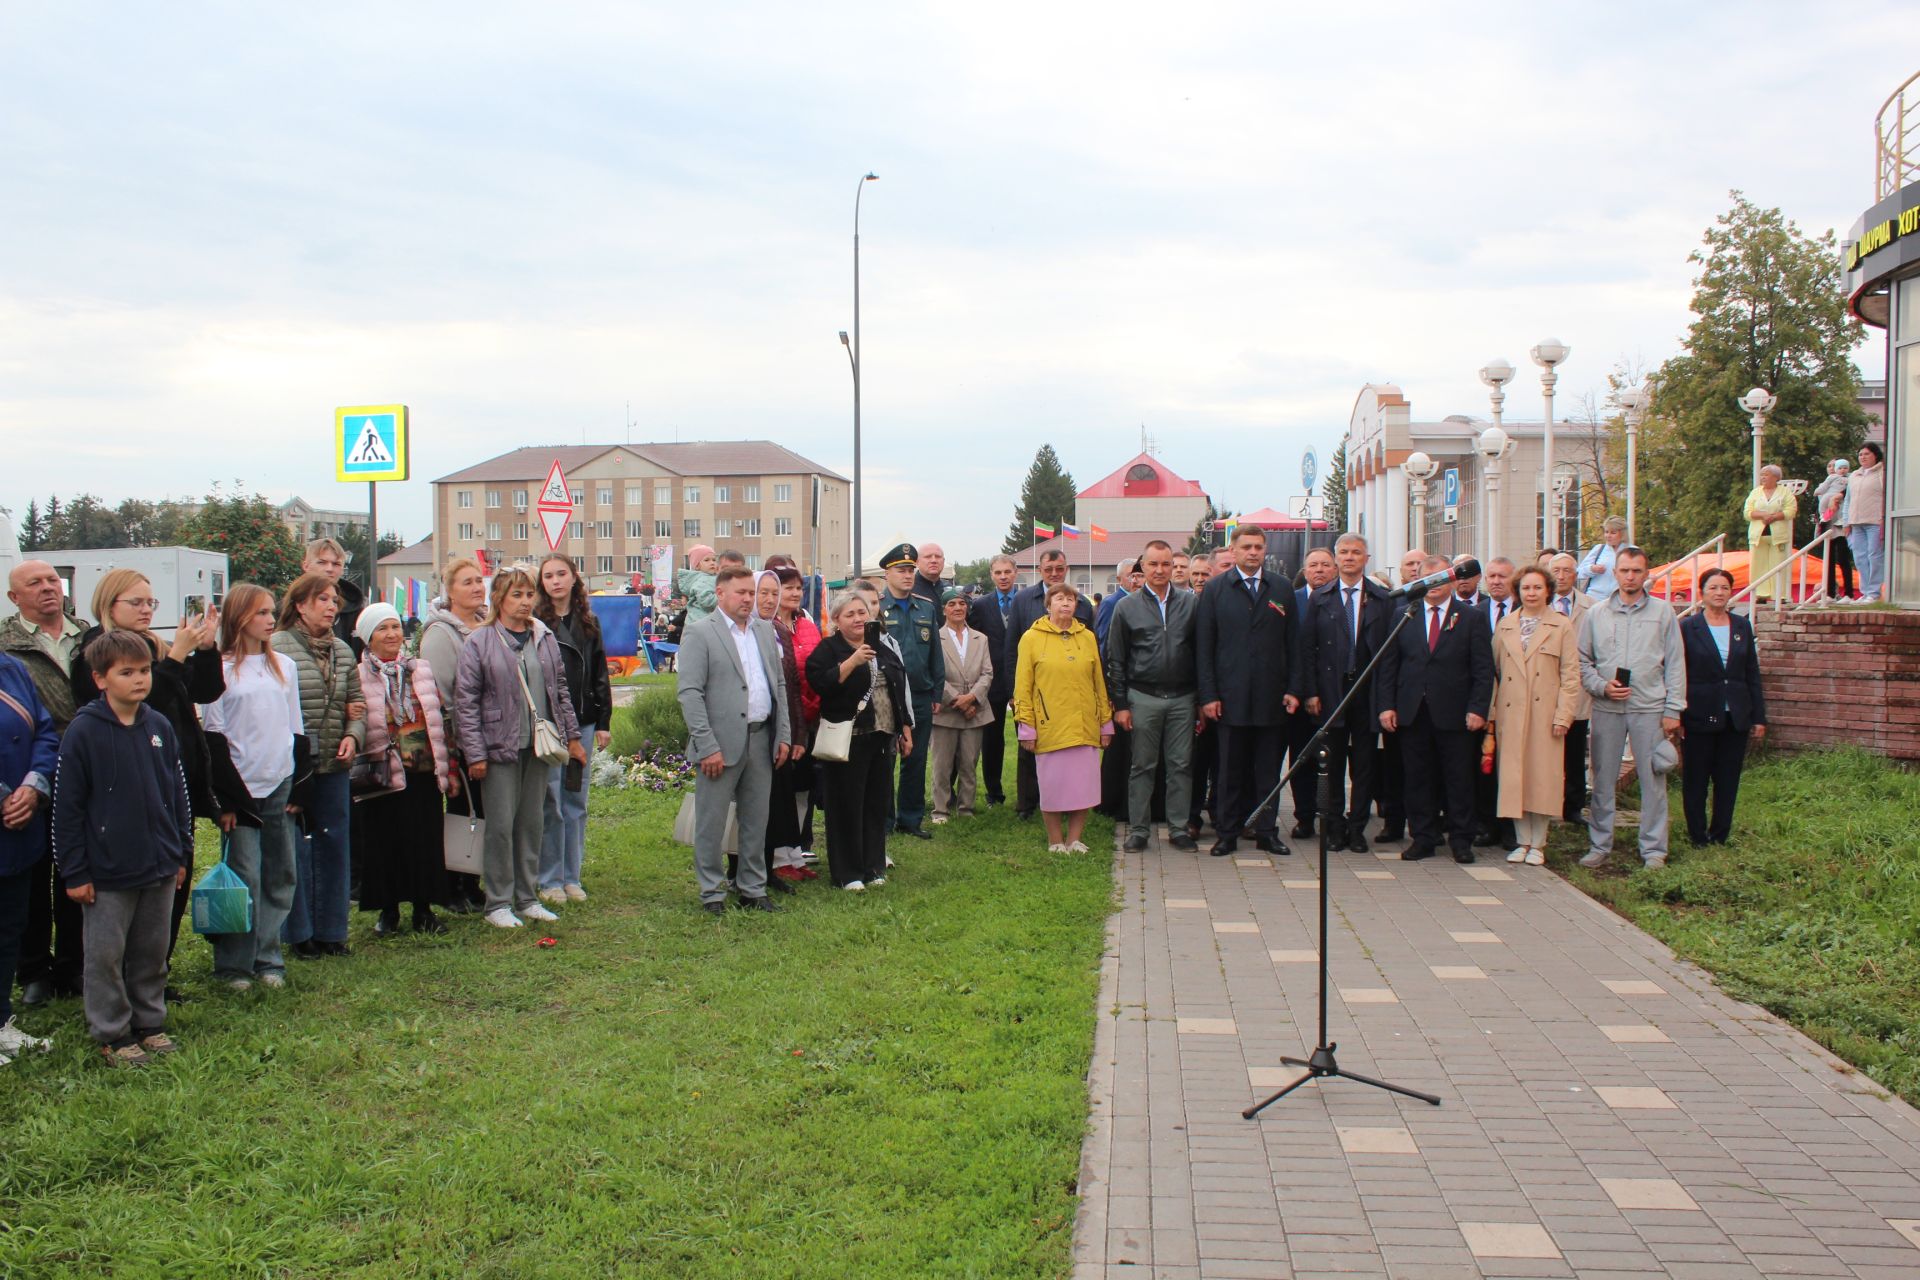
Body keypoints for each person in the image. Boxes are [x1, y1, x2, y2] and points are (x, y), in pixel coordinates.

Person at [70, 568, 233, 976]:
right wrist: (176, 657)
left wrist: (208, 649)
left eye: (150, 602)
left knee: (174, 882)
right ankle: (127, 978)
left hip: (173, 783)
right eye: (136, 602)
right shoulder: (95, 650)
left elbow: (205, 692)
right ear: (109, 606)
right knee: (131, 895)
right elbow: (143, 706)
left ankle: (156, 971)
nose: (146, 610)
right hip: (125, 789)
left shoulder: (155, 647)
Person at [53, 632, 193, 1067]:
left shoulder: (158, 726)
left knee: (151, 951)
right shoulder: (84, 732)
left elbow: (177, 794)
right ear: (100, 679)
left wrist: (180, 852)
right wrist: (74, 872)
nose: (139, 680)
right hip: (108, 871)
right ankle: (112, 1031)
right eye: (126, 672)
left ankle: (149, 1021)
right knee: (106, 956)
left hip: (158, 864)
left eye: (145, 671)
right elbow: (67, 808)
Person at [456, 566, 586, 929]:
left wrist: (572, 737)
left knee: (532, 822)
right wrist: (475, 753)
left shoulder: (541, 637)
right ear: (498, 598)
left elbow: (560, 691)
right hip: (499, 747)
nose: (526, 601)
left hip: (538, 746)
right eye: (517, 594)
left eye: (530, 594)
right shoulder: (479, 642)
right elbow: (466, 702)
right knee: (500, 826)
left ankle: (527, 897)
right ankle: (498, 901)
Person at [199, 585, 303, 991]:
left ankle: (268, 957)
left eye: (271, 612)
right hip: (240, 787)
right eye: (261, 612)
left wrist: (297, 783)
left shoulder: (285, 667)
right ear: (240, 617)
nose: (269, 619)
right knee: (244, 876)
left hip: (279, 779)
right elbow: (214, 733)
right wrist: (225, 798)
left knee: (280, 872)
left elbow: (295, 727)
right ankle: (234, 965)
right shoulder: (222, 670)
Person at [676, 566, 793, 913]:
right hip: (719, 744)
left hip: (761, 738)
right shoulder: (700, 633)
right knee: (712, 822)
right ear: (721, 593)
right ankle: (712, 891)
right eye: (740, 592)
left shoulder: (763, 630)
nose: (747, 599)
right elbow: (690, 694)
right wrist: (706, 744)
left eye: (750, 593)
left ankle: (752, 888)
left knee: (756, 820)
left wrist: (782, 734)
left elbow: (779, 686)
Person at [2, 560, 88, 1008]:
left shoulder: (87, 635)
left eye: (52, 580)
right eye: (33, 583)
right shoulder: (7, 646)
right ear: (15, 598)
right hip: (33, 772)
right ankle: (33, 969)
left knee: (76, 869)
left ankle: (73, 965)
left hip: (88, 772)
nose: (47, 588)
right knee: (32, 876)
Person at [272, 573, 366, 959]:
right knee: (294, 848)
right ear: (300, 605)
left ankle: (332, 931)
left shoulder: (343, 650)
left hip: (335, 761)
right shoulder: (277, 647)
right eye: (323, 600)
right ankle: (299, 935)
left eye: (334, 601)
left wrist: (353, 736)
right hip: (294, 766)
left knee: (334, 843)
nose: (332, 607)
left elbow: (357, 703)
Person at [1377, 555, 1494, 864]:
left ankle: (1461, 839)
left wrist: (1478, 708)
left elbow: (1483, 669)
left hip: (1456, 713)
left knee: (1459, 778)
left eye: (1439, 579)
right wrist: (1387, 705)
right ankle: (1423, 837)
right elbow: (1389, 666)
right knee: (1417, 778)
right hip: (1413, 712)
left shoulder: (1471, 618)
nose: (1432, 585)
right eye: (1425, 579)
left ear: (1452, 581)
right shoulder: (1406, 614)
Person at [1577, 546, 1686, 871]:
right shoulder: (1597, 614)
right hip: (1608, 708)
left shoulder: (1662, 612)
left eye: (1636, 571)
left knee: (1652, 780)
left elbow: (1676, 663)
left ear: (1646, 573)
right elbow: (1582, 661)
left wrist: (1673, 709)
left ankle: (1653, 850)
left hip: (1649, 707)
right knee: (1603, 779)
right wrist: (1601, 686)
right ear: (1615, 572)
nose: (1630, 576)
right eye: (1624, 570)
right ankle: (1599, 845)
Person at [1195, 525, 1297, 857]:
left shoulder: (1281, 587)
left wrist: (1294, 689)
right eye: (1247, 547)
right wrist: (1208, 695)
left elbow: (1294, 643)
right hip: (1229, 698)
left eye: (1258, 547)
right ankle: (1227, 832)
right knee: (1229, 771)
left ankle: (1267, 830)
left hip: (1272, 697)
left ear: (1265, 550)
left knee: (1268, 770)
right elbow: (1204, 647)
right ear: (1234, 551)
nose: (1253, 552)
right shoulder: (1216, 589)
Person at [354, 605, 453, 936]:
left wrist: (447, 765)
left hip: (422, 769)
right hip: (382, 770)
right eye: (383, 628)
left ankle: (424, 909)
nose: (392, 634)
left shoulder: (420, 669)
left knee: (424, 839)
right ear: (369, 637)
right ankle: (388, 910)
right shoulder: (359, 675)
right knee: (385, 843)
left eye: (396, 626)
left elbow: (437, 714)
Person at [806, 590, 911, 891]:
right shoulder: (829, 648)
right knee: (846, 806)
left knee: (876, 804)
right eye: (850, 614)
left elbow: (897, 687)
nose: (857, 618)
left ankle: (873, 865)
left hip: (882, 735)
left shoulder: (883, 647)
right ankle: (848, 873)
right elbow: (821, 683)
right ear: (837, 619)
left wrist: (905, 728)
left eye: (862, 612)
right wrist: (852, 661)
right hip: (848, 738)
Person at [1293, 534, 1390, 853]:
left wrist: (1385, 700)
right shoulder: (1321, 598)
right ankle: (1333, 826)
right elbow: (1307, 650)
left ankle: (1357, 827)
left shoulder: (1380, 598)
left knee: (1364, 764)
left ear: (1366, 558)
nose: (1350, 558)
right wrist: (1310, 692)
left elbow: (1389, 655)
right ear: (1336, 559)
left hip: (1366, 691)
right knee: (1331, 765)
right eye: (1344, 552)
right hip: (1331, 691)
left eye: (1356, 553)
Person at [1106, 540, 1198, 852]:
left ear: (1173, 567)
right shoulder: (1126, 607)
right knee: (1142, 766)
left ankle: (1178, 828)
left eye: (1165, 564)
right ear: (1142, 568)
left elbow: (1201, 654)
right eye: (1153, 564)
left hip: (1183, 698)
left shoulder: (1191, 604)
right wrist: (1120, 704)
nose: (1159, 570)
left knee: (1180, 765)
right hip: (1142, 696)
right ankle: (1139, 830)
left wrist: (1200, 700)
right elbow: (1115, 660)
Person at [534, 554, 612, 905]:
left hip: (582, 721)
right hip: (548, 724)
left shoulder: (588, 622)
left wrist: (603, 722)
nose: (555, 581)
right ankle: (549, 878)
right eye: (548, 575)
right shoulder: (535, 622)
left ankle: (571, 876)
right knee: (551, 802)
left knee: (575, 800)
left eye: (561, 573)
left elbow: (600, 674)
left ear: (573, 577)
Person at [1488, 566, 1580, 866]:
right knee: (1515, 777)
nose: (1531, 593)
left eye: (1537, 588)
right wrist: (1492, 715)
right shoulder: (1506, 625)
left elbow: (1570, 675)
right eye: (1526, 588)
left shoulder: (1561, 626)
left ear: (1547, 591)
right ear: (1518, 591)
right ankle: (1521, 840)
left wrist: (1564, 715)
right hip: (1511, 712)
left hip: (1545, 713)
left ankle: (1538, 843)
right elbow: (1495, 673)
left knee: (1542, 777)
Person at [1014, 583, 1112, 853]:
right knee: (1053, 786)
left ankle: (1075, 839)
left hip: (1084, 725)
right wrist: (1027, 727)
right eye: (1060, 598)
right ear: (1048, 605)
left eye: (1071, 599)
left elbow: (1098, 682)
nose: (1066, 603)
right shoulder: (1031, 638)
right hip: (1050, 726)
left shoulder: (1087, 637)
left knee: (1084, 787)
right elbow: (1023, 686)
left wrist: (1106, 722)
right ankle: (1055, 840)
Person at [1678, 568, 1767, 845]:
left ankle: (1720, 835)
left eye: (1724, 588)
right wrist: (1677, 714)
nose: (1719, 593)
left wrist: (1759, 717)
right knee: (1696, 780)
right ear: (1702, 592)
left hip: (1735, 716)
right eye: (1713, 587)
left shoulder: (1741, 626)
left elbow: (1751, 672)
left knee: (1727, 780)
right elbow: (1678, 672)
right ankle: (1697, 836)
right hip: (1698, 714)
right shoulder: (1687, 627)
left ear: (1731, 592)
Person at [420, 557, 488, 913]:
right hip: (458, 737)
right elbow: (442, 694)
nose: (476, 587)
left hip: (490, 734)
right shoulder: (440, 633)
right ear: (450, 591)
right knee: (462, 809)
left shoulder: (487, 624)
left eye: (479, 580)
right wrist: (459, 744)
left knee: (483, 810)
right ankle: (452, 884)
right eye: (467, 582)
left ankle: (472, 880)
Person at [0, 646, 58, 1065]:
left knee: (8, 928)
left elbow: (44, 731)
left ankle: (1, 1022)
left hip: (18, 827)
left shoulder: (12, 669)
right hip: (7, 809)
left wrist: (34, 785)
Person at [1007, 550, 1093, 820]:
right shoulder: (1022, 600)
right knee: (1028, 750)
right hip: (1034, 689)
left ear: (1066, 568)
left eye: (1059, 568)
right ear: (1040, 569)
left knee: (1069, 753)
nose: (1054, 573)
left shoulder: (1083, 604)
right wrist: (1014, 692)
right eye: (1048, 569)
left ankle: (1068, 802)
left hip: (1071, 693)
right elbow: (1012, 649)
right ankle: (1026, 804)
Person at [877, 544, 944, 840]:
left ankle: (911, 818)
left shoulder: (925, 607)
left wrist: (936, 692)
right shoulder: (876, 606)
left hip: (919, 693)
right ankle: (884, 820)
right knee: (886, 758)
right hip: (887, 695)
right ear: (886, 573)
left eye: (910, 570)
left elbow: (935, 654)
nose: (907, 576)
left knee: (916, 759)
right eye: (901, 570)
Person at [1372, 547, 1431, 844]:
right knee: (1396, 769)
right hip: (1403, 704)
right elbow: (1388, 662)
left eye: (1422, 565)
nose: (1417, 570)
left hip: (1438, 704)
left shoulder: (1455, 610)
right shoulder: (1396, 607)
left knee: (1430, 773)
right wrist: (1386, 704)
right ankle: (1394, 823)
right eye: (1410, 564)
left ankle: (1429, 828)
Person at [765, 567, 819, 882]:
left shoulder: (807, 625)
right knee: (781, 791)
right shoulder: (767, 627)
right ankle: (777, 854)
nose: (795, 593)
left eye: (799, 588)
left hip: (808, 717)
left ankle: (795, 851)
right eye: (787, 587)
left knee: (803, 788)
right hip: (783, 720)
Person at [1283, 548, 1336, 840]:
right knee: (1301, 759)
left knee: (1329, 761)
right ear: (1304, 570)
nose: (1319, 570)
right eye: (1313, 565)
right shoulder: (1294, 601)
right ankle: (1304, 816)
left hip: (1333, 695)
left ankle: (1330, 818)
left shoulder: (1343, 600)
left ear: (1335, 569)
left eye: (1325, 565)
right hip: (1298, 696)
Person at [930, 588, 993, 824]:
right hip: (946, 710)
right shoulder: (936, 637)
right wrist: (958, 700)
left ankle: (966, 808)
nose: (957, 608)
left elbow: (987, 673)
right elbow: (934, 673)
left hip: (975, 711)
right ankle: (940, 810)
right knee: (942, 764)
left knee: (969, 762)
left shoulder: (980, 638)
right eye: (952, 604)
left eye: (961, 603)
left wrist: (973, 698)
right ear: (944, 609)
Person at [1470, 558, 1520, 850]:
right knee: (1483, 768)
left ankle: (1510, 827)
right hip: (1482, 703)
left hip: (1513, 702)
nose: (1497, 581)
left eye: (1503, 576)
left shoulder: (1523, 613)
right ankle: (1485, 824)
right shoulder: (1474, 612)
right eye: (1492, 576)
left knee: (1509, 768)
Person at [968, 556, 1020, 807]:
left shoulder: (1027, 601)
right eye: (998, 572)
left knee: (1030, 737)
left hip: (1025, 678)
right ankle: (994, 793)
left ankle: (1032, 792)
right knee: (992, 739)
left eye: (1007, 572)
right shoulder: (980, 606)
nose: (1003, 577)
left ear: (1015, 573)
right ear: (991, 575)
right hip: (993, 682)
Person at [1548, 552, 1594, 822]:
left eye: (1567, 571)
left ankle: (1573, 806)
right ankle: (1548, 802)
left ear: (1575, 575)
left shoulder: (1591, 606)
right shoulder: (1538, 605)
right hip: (1546, 688)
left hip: (1577, 689)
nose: (1562, 576)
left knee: (1575, 751)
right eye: (1557, 571)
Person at [302, 537, 368, 655]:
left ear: (342, 569)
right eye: (322, 562)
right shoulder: (285, 610)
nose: (329, 569)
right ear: (306, 566)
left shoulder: (357, 613)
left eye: (336, 564)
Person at [1743, 465, 1796, 603]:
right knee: (1757, 565)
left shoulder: (1785, 492)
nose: (1763, 478)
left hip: (1777, 535)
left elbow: (1791, 510)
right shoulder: (1755, 492)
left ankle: (1780, 595)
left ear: (1776, 477)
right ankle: (1760, 594)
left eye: (1766, 474)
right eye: (1762, 475)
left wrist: (1775, 516)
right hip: (1758, 535)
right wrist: (1763, 515)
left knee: (1778, 564)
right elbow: (1747, 512)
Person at [1841, 442, 1885, 602]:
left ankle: (1874, 592)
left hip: (1875, 522)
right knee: (1860, 557)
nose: (1863, 457)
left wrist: (1883, 519)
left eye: (1866, 454)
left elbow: (1888, 498)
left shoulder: (1882, 473)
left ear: (1875, 455)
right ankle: (1866, 592)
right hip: (1856, 523)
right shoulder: (1854, 475)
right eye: (1860, 454)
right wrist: (1846, 522)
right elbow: (1848, 500)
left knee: (1874, 556)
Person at [1815, 458, 1857, 600]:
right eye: (1830, 465)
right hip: (1828, 524)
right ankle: (1830, 592)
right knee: (1828, 560)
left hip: (1842, 523)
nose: (1833, 468)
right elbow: (1820, 502)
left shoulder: (1848, 481)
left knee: (1843, 559)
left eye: (1836, 466)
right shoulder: (1826, 484)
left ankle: (1849, 593)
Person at [1577, 517, 1628, 599]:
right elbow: (1579, 572)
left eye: (1613, 533)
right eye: (1606, 532)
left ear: (1622, 534)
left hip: (1619, 599)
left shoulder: (1631, 551)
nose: (1608, 536)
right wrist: (1592, 569)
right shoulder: (1599, 549)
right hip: (1594, 598)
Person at [676, 545, 720, 628]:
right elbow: (707, 601)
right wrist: (725, 597)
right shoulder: (702, 580)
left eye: (714, 560)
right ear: (697, 566)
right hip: (701, 622)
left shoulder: (711, 578)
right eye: (707, 560)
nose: (712, 562)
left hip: (705, 622)